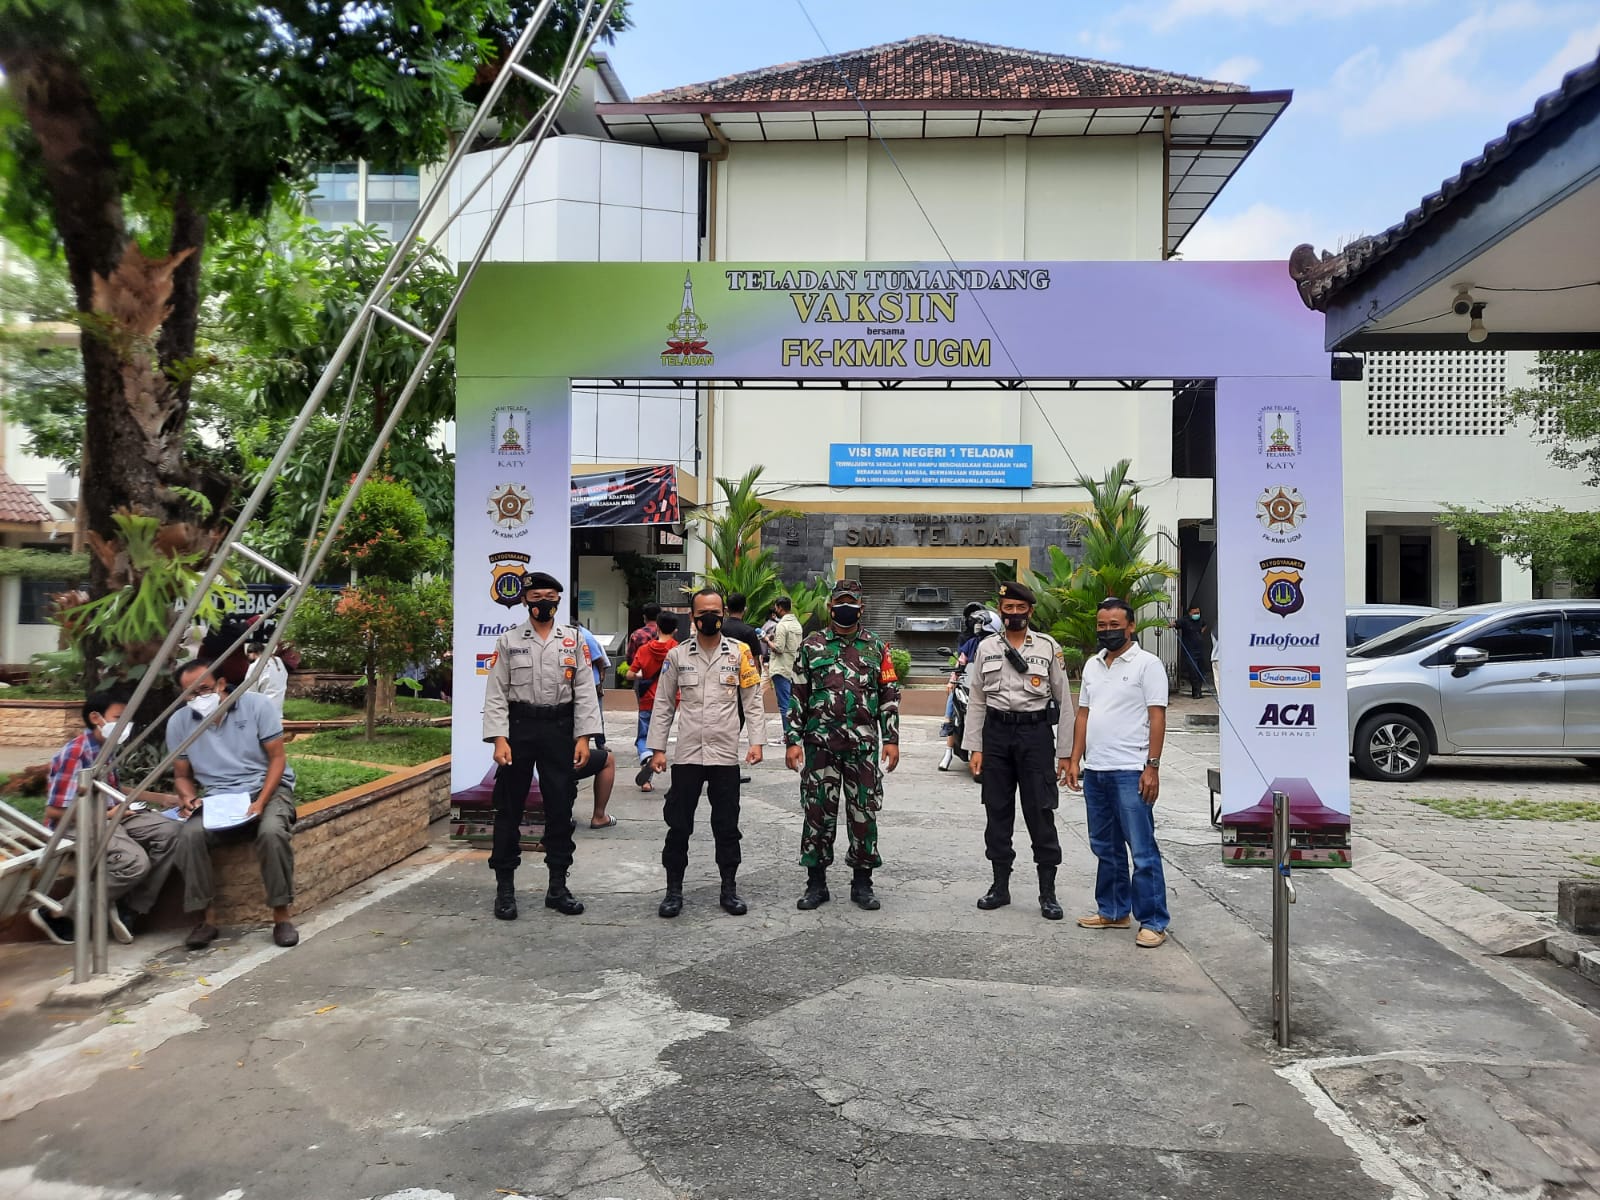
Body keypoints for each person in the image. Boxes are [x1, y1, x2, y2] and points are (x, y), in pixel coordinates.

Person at [480, 571, 603, 920]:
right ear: (524, 601)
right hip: (519, 730)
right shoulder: (508, 641)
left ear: (559, 600)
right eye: (536, 596)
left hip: (559, 730)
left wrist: (584, 738)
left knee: (560, 809)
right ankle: (505, 889)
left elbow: (584, 691)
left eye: (550, 595)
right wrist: (499, 739)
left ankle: (558, 887)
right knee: (509, 809)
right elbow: (496, 693)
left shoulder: (574, 640)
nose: (543, 602)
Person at [646, 587, 765, 919]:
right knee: (679, 825)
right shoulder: (677, 656)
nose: (709, 617)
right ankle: (673, 891)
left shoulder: (740, 653)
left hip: (725, 756)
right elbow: (663, 705)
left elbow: (752, 702)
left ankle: (729, 888)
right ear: (692, 616)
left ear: (724, 613)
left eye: (715, 611)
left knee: (727, 826)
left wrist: (755, 742)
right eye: (703, 613)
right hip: (687, 756)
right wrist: (656, 748)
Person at [28, 694, 182, 946]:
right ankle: (58, 913)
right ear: (95, 718)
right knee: (134, 863)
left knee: (173, 832)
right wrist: (109, 814)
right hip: (78, 825)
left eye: (127, 719)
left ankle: (130, 906)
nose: (125, 725)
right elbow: (55, 812)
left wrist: (164, 798)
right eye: (119, 719)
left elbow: (116, 790)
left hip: (115, 815)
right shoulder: (75, 753)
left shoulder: (105, 749)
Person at [167, 661, 299, 949]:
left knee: (272, 833)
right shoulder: (179, 723)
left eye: (203, 689)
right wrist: (188, 797)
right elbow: (181, 775)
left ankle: (281, 916)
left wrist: (261, 802)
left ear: (221, 684)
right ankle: (207, 919)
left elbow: (278, 759)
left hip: (268, 789)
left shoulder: (256, 707)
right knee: (189, 836)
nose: (198, 697)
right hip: (218, 798)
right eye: (190, 693)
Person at [785, 580, 900, 911]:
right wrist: (793, 740)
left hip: (862, 747)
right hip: (819, 745)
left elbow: (890, 696)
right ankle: (816, 884)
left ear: (861, 608)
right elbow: (798, 697)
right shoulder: (811, 646)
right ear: (831, 607)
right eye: (840, 602)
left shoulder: (877, 647)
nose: (845, 608)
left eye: (851, 602)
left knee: (863, 812)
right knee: (817, 813)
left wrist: (891, 739)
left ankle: (862, 884)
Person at [965, 580, 1075, 921]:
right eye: (1008, 608)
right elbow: (977, 700)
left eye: (1020, 608)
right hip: (996, 735)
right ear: (1001, 611)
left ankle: (1048, 893)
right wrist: (975, 747)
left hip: (1035, 735)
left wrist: (1066, 753)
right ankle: (1000, 887)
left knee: (1041, 812)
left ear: (1030, 610)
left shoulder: (1047, 647)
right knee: (997, 811)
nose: (1014, 614)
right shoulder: (985, 648)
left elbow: (1065, 701)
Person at [1067, 597, 1171, 949]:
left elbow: (1157, 716)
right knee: (1105, 847)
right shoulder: (1093, 665)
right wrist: (1074, 759)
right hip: (1096, 772)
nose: (1107, 631)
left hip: (1131, 771)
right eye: (1102, 625)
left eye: (1115, 625)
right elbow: (1083, 714)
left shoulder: (1148, 664)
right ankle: (1113, 911)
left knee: (1142, 849)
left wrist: (1152, 767)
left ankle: (1154, 921)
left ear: (1131, 627)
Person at [940, 607, 999, 772]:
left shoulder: (999, 644)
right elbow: (961, 662)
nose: (977, 626)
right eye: (976, 623)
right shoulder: (971, 642)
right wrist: (952, 681)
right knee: (952, 703)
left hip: (991, 689)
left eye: (981, 623)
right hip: (969, 684)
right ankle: (948, 752)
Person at [629, 612, 679, 792]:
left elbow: (630, 673)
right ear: (675, 630)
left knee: (643, 737)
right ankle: (650, 760)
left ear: (657, 627)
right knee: (658, 737)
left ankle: (646, 763)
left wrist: (640, 674)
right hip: (669, 701)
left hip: (646, 699)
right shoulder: (677, 650)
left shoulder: (644, 649)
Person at [576, 625, 616, 829]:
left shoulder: (579, 635)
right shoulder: (579, 634)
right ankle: (599, 815)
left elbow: (599, 659)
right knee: (606, 760)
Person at [767, 596, 805, 741]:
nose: (775, 610)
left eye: (776, 607)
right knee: (791, 702)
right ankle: (794, 732)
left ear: (780, 608)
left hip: (781, 668)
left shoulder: (782, 625)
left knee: (784, 705)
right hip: (792, 667)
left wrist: (765, 640)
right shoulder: (797, 625)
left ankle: (787, 735)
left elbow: (779, 648)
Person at [1173, 602, 1211, 699]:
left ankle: (1199, 690)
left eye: (1198, 613)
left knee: (1201, 671)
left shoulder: (1200, 620)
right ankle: (1195, 691)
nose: (1197, 615)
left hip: (1200, 649)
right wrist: (1170, 624)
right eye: (1195, 613)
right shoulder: (1185, 620)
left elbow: (1204, 625)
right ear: (1190, 613)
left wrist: (1201, 632)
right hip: (1189, 650)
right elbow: (1176, 624)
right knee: (1193, 670)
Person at [245, 640, 288, 718]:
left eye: (248, 655)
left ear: (253, 653)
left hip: (263, 711)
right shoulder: (278, 661)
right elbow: (285, 676)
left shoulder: (255, 665)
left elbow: (249, 689)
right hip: (278, 709)